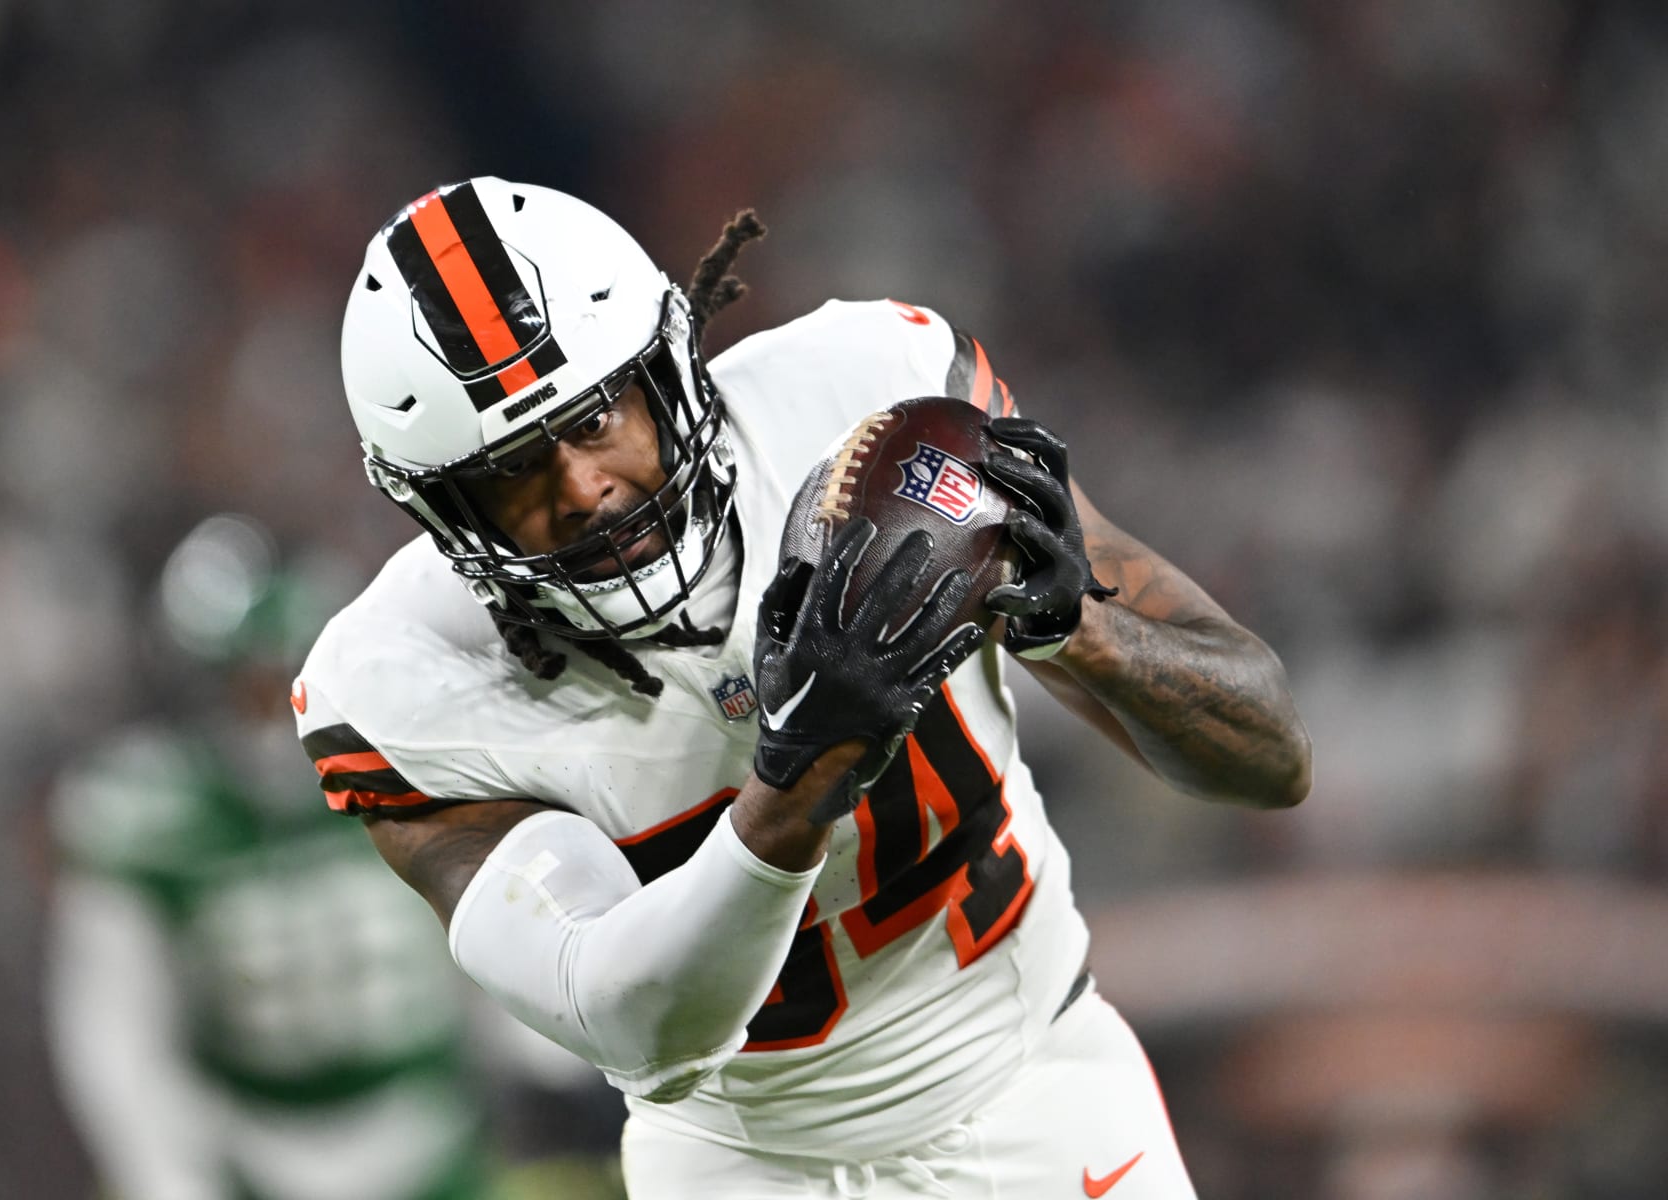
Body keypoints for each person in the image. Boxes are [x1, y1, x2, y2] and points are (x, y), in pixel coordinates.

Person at [294, 178, 1312, 1198]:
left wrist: (1076, 629)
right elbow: (636, 1021)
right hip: (751, 1171)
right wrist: (797, 776)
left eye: (599, 416)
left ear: (670, 368)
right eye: (512, 469)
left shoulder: (867, 397)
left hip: (1041, 1089)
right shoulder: (399, 686)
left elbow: (1269, 757)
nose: (582, 486)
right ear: (444, 513)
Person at [48, 516, 495, 1200]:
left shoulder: (419, 761)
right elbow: (114, 1027)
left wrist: (544, 1068)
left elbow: (491, 928)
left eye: (280, 679)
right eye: (240, 685)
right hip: (246, 1146)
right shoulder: (146, 814)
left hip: (433, 1129)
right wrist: (165, 1171)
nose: (262, 714)